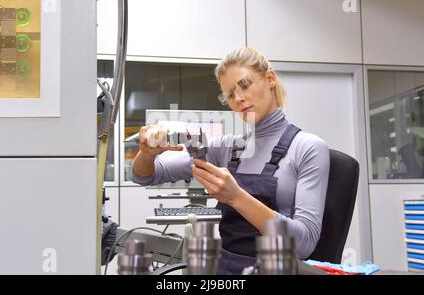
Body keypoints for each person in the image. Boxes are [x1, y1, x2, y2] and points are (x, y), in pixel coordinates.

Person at [131, 47, 330, 274]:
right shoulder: (226, 148)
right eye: (230, 95)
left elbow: (304, 244)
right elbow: (144, 176)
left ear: (270, 79)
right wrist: (147, 153)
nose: (239, 99)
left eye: (245, 86)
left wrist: (235, 197)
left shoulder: (307, 147)